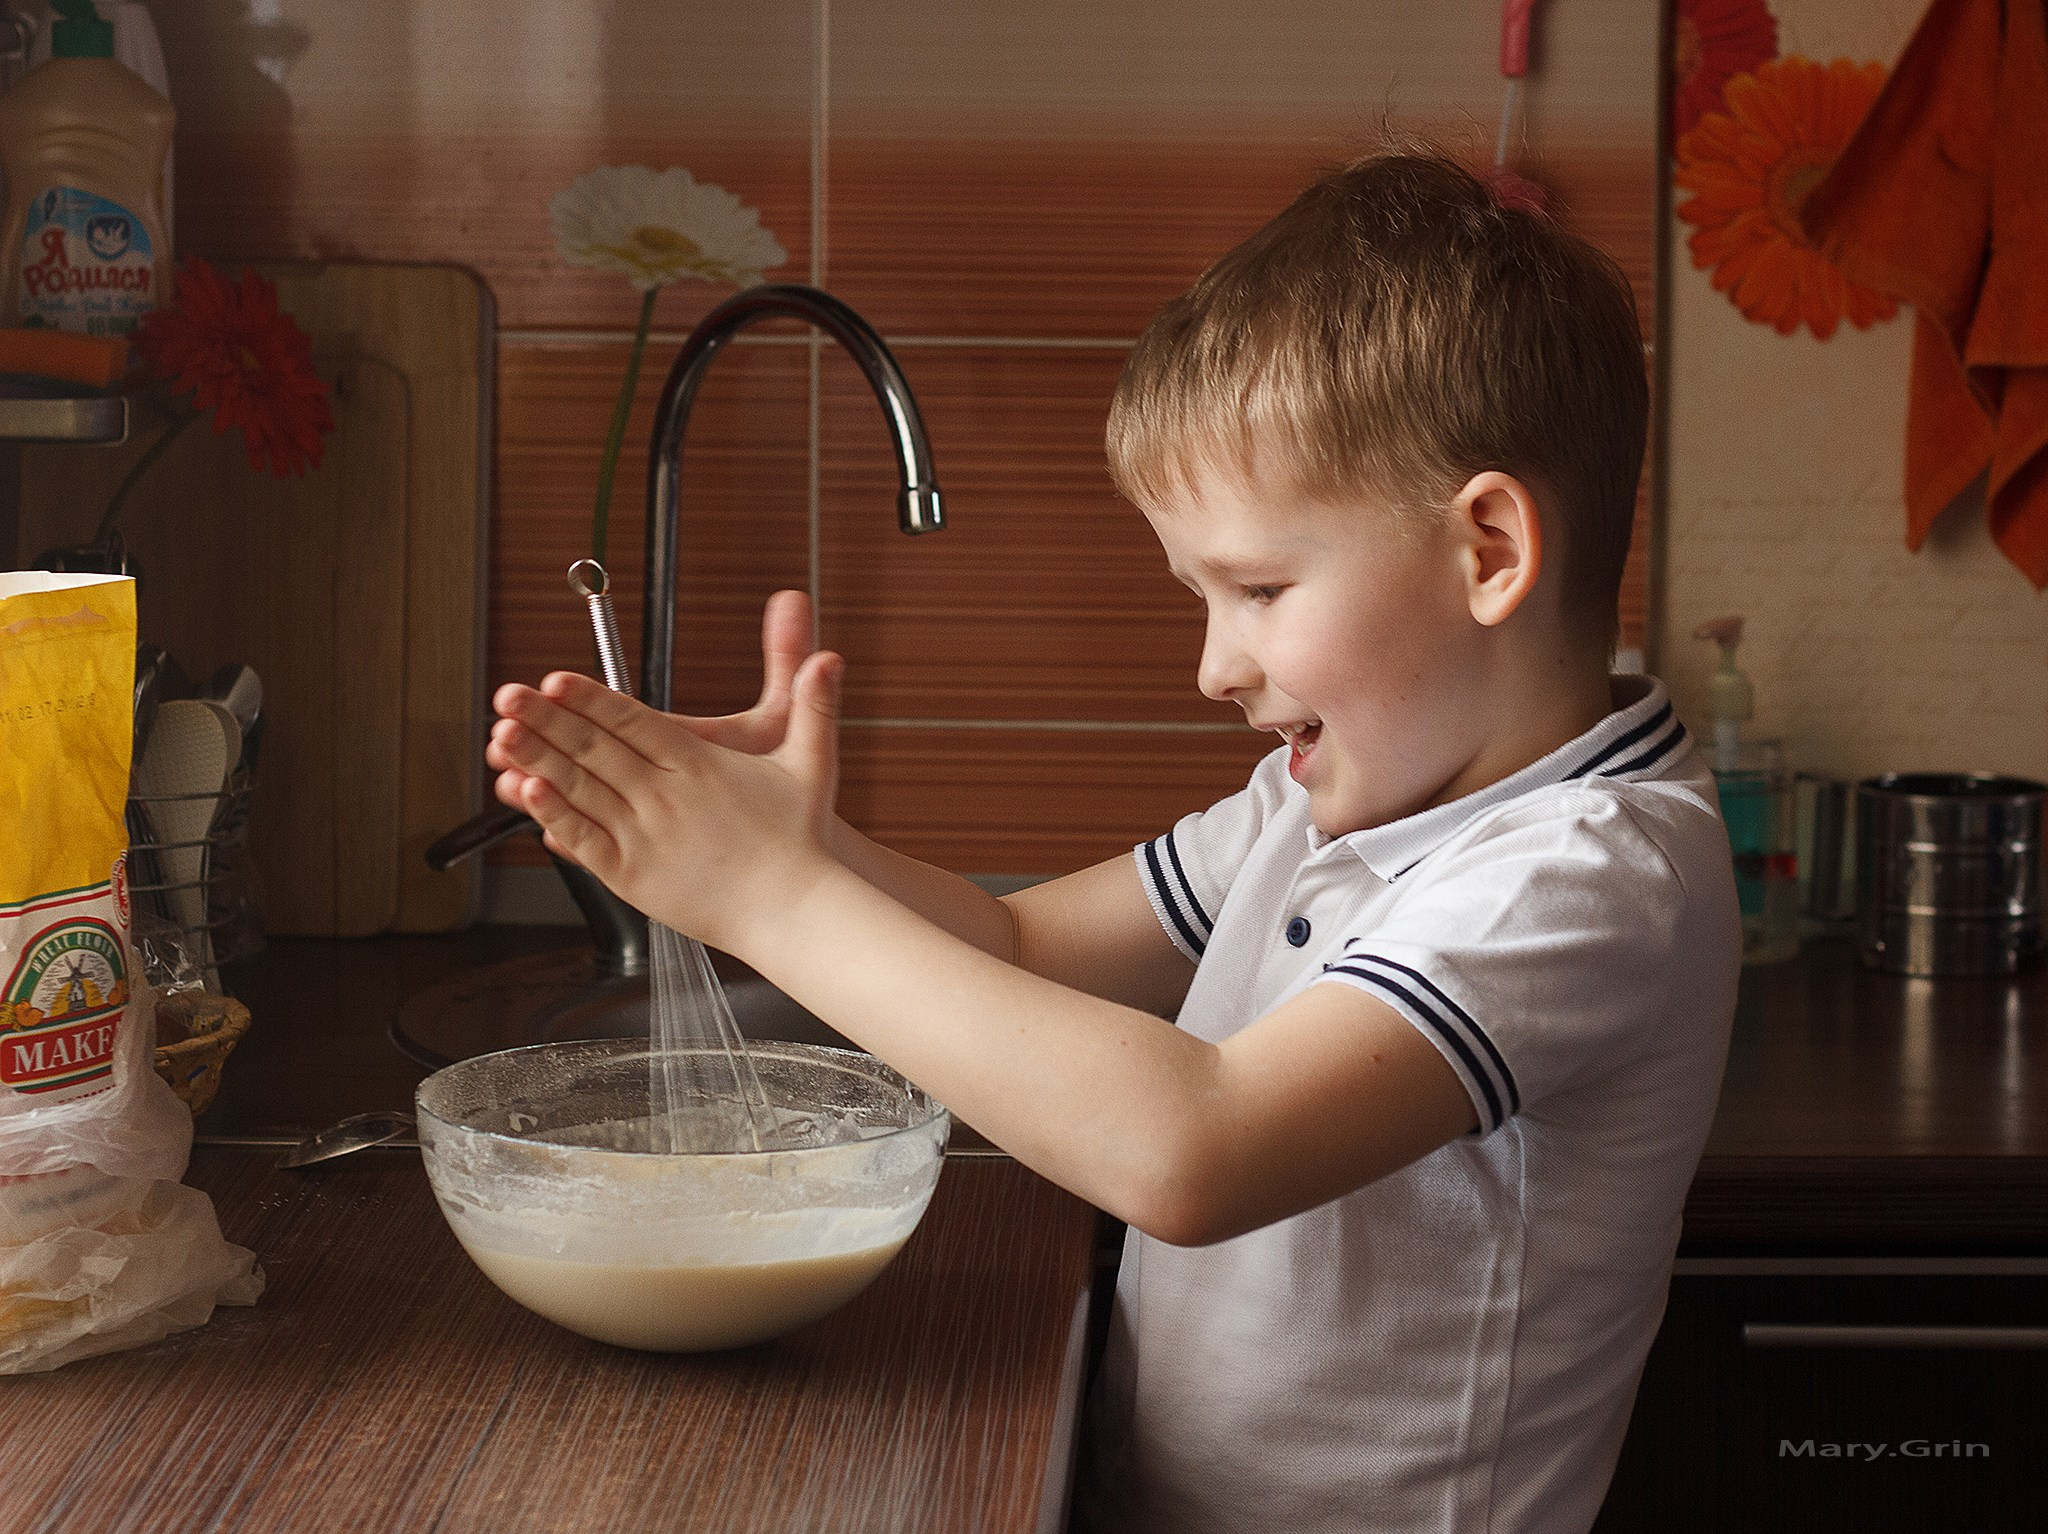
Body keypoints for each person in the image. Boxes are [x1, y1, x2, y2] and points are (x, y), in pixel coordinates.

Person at [486, 149, 1741, 1534]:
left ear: (1490, 549)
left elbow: (1192, 1149)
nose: (1214, 664)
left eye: (1259, 586)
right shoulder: (1329, 799)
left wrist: (774, 898)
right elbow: (1022, 945)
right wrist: (808, 850)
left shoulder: (1590, 870)